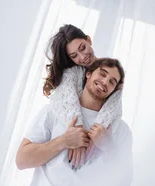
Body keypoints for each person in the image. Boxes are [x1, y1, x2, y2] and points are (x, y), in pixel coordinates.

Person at [15, 58, 133, 186]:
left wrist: (109, 147)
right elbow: (22, 160)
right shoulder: (54, 110)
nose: (105, 82)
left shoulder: (120, 130)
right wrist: (63, 141)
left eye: (112, 82)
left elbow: (126, 180)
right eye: (102, 73)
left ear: (114, 91)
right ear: (88, 74)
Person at [43, 24, 123, 168]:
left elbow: (113, 106)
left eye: (83, 48)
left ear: (89, 40)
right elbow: (69, 101)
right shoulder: (72, 74)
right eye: (74, 56)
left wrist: (96, 139)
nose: (83, 57)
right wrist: (77, 137)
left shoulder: (113, 74)